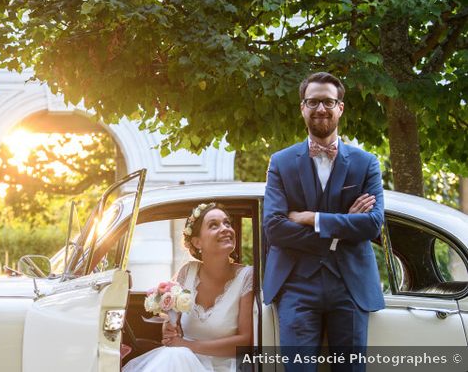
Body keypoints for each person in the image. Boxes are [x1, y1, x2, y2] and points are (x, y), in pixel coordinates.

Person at [263, 72, 385, 372]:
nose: (321, 109)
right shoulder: (280, 162)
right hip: (296, 286)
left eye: (328, 102)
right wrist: (340, 228)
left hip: (350, 285)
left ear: (340, 107)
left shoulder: (366, 163)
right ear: (302, 107)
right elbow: (274, 228)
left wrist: (312, 218)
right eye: (313, 101)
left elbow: (372, 225)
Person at [123, 202, 253, 372]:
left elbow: (245, 341)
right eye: (214, 225)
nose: (225, 228)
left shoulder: (247, 276)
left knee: (177, 355)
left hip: (225, 366)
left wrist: (187, 345)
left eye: (227, 223)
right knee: (176, 356)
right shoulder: (187, 272)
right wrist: (168, 328)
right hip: (181, 360)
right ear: (197, 242)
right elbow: (172, 320)